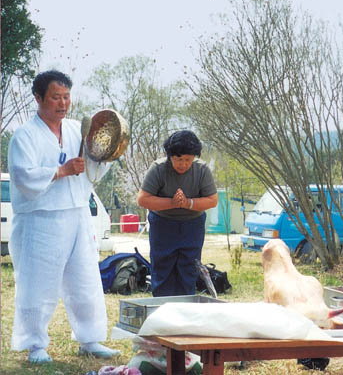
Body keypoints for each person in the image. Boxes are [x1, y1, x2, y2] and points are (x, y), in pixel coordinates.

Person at [8, 70, 119, 363]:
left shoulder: (75, 129)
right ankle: (35, 345)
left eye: (66, 97)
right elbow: (22, 176)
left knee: (85, 278)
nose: (62, 103)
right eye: (55, 97)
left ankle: (90, 338)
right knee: (37, 282)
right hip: (41, 220)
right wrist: (61, 170)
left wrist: (105, 152)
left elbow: (94, 165)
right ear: (38, 98)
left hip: (77, 213)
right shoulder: (24, 135)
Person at [138, 130, 218, 297]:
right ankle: (162, 311)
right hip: (163, 225)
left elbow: (212, 200)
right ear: (170, 157)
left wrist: (188, 203)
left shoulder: (202, 170)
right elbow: (143, 200)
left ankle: (185, 312)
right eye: (178, 159)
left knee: (188, 270)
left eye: (188, 160)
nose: (183, 164)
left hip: (192, 226)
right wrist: (172, 203)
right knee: (162, 270)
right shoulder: (158, 169)